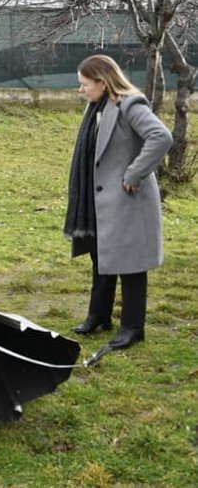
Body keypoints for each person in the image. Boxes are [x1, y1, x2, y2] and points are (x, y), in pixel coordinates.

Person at [65, 54, 172, 350]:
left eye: (84, 84)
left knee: (132, 266)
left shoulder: (130, 104)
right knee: (100, 257)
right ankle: (99, 316)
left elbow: (160, 137)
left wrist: (134, 174)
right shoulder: (97, 107)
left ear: (102, 82)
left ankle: (132, 327)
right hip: (102, 200)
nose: (81, 90)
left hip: (128, 200)